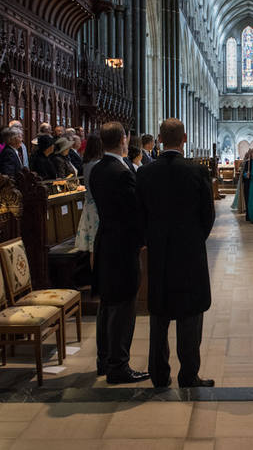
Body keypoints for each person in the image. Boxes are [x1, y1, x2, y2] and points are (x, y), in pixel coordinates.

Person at [136, 118, 215, 388]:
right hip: (190, 254)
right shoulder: (197, 172)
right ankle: (189, 375)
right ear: (184, 139)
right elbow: (208, 215)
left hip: (158, 253)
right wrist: (193, 240)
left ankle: (159, 375)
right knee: (190, 315)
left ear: (159, 138)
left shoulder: (145, 173)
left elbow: (140, 214)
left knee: (159, 315)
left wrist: (152, 240)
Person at [89, 122, 148, 384]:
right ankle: (118, 366)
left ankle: (104, 360)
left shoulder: (98, 169)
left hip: (105, 243)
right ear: (123, 139)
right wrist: (144, 240)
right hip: (123, 247)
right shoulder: (121, 172)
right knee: (124, 306)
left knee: (108, 304)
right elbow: (134, 212)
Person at [75, 134, 102, 264]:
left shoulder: (87, 162)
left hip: (90, 205)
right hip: (97, 206)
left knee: (93, 246)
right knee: (96, 246)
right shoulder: (97, 164)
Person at [231, 149, 249, 214]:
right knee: (241, 192)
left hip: (246, 179)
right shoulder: (244, 162)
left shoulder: (249, 162)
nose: (247, 156)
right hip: (242, 179)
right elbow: (240, 169)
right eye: (246, 155)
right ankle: (242, 206)